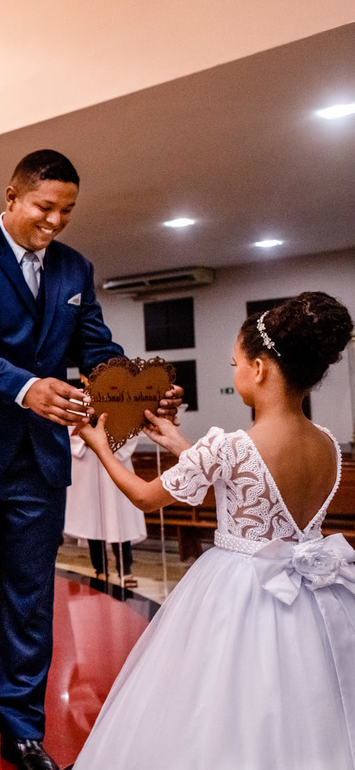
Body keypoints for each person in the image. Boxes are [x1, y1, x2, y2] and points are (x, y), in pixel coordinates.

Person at [0, 149, 182, 769]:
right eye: (45, 206)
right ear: (11, 196)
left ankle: (23, 732)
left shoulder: (75, 269)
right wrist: (28, 387)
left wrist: (140, 391)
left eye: (67, 210)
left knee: (31, 597)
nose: (56, 220)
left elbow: (96, 348)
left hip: (38, 461)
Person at [74, 292, 355, 769]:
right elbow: (243, 486)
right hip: (312, 597)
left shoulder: (232, 446)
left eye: (234, 363)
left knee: (221, 703)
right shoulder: (326, 443)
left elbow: (145, 496)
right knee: (304, 705)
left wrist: (99, 446)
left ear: (260, 369)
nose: (235, 373)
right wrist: (181, 443)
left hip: (242, 590)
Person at [66, 417, 146, 587]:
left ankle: (125, 570)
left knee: (119, 519)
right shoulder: (78, 404)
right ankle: (100, 569)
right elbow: (69, 433)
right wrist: (86, 437)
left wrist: (106, 441)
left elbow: (130, 431)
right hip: (88, 466)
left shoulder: (116, 403)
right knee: (93, 521)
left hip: (114, 464)